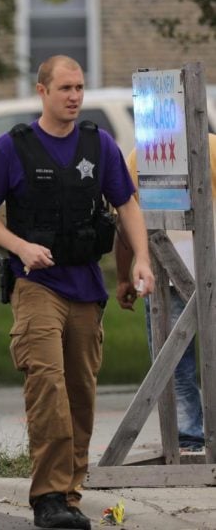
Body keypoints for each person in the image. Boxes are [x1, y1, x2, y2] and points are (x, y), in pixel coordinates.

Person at [0, 55, 155, 530]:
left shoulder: (101, 144)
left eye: (79, 88)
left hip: (86, 286)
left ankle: (68, 494)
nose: (74, 96)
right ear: (42, 92)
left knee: (79, 392)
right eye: (65, 88)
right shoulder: (12, 148)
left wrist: (141, 260)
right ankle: (48, 495)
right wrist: (19, 246)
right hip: (36, 286)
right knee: (47, 386)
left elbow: (126, 204)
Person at [114, 134, 216, 453]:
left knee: (172, 363)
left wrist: (122, 276)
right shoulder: (211, 146)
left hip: (164, 272)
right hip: (206, 267)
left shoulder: (141, 155)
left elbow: (125, 222)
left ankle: (187, 436)